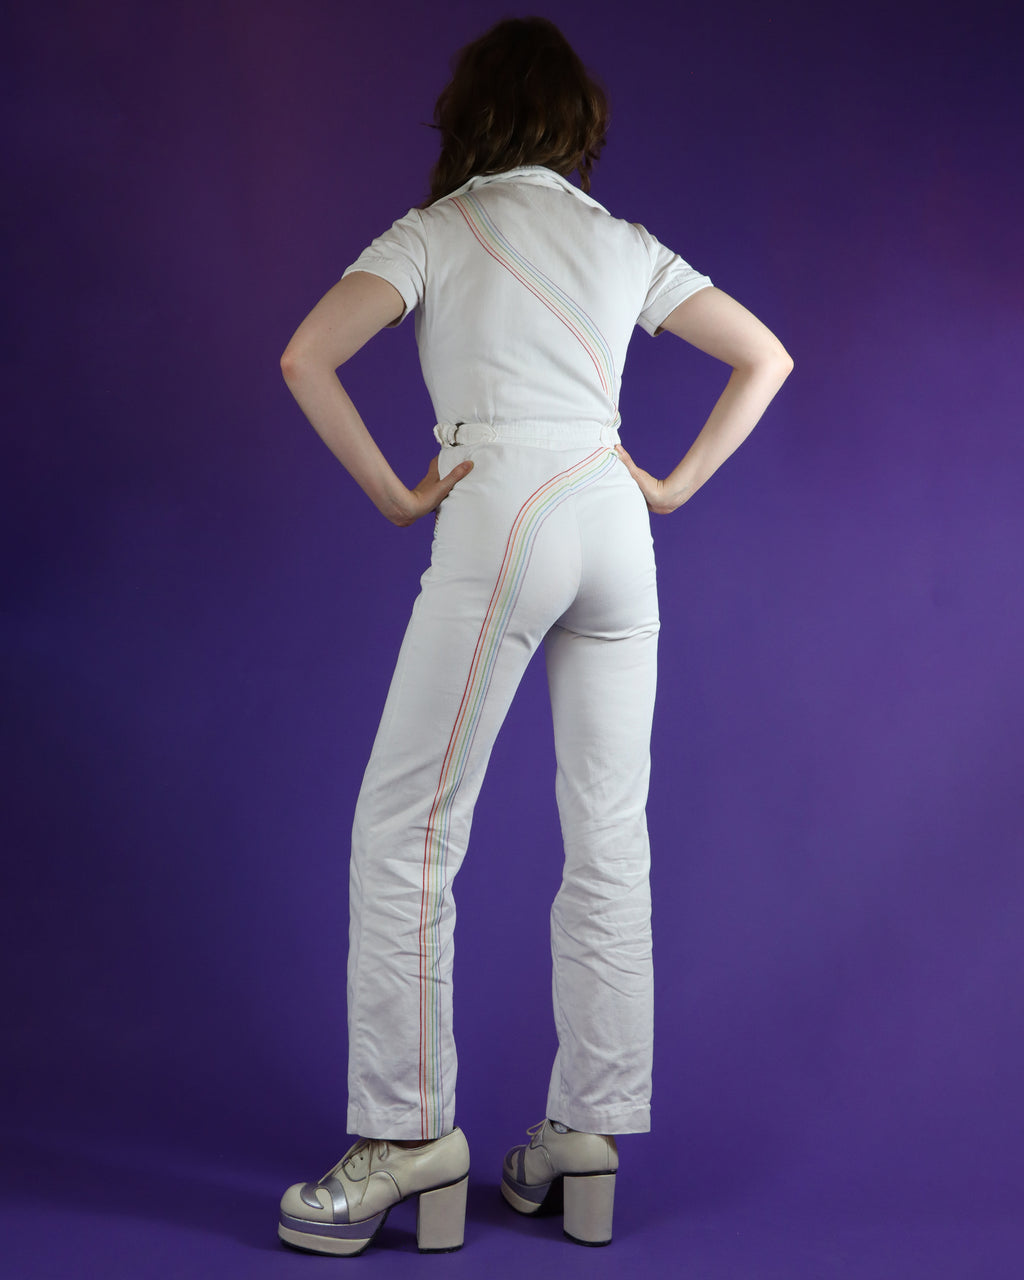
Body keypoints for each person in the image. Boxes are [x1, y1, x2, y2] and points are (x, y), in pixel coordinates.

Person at [276, 16, 792, 1258]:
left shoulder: (435, 232)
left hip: (500, 506)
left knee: (407, 828)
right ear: (574, 124)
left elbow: (305, 355)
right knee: (609, 832)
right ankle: (584, 1134)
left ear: (468, 115)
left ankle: (407, 1136)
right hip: (615, 521)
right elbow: (764, 356)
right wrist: (671, 484)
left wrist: (397, 493)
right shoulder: (623, 242)